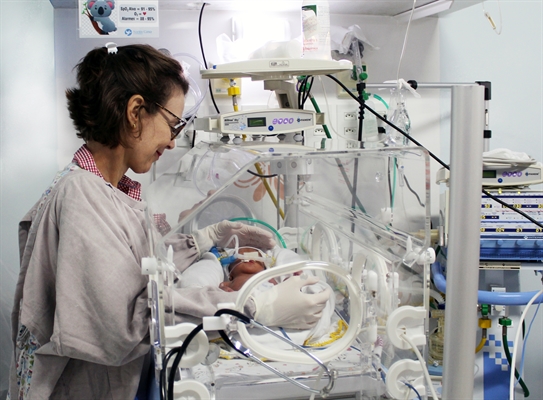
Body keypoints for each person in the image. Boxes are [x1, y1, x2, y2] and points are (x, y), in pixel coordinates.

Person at [8, 43, 327, 400]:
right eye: (172, 125)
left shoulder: (108, 188)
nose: (173, 143)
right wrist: (253, 306)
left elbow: (136, 270)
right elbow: (127, 322)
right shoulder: (82, 198)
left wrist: (204, 240)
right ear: (135, 111)